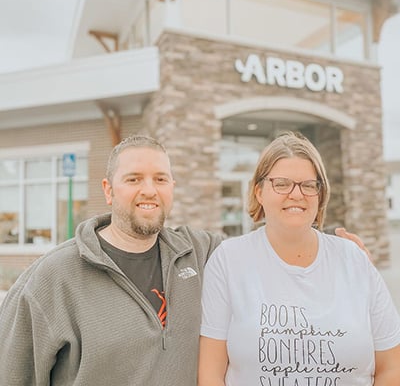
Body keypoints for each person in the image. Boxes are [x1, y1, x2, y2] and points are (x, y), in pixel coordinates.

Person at [0, 134, 373, 386]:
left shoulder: (200, 251)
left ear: (172, 188)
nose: (149, 190)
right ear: (109, 189)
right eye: (134, 179)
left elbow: (270, 245)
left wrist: (332, 246)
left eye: (160, 179)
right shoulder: (53, 278)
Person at [198, 132, 400, 386]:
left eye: (308, 185)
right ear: (259, 192)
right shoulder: (228, 261)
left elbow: (392, 367)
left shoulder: (354, 261)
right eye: (281, 183)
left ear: (320, 193)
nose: (296, 194)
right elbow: (210, 375)